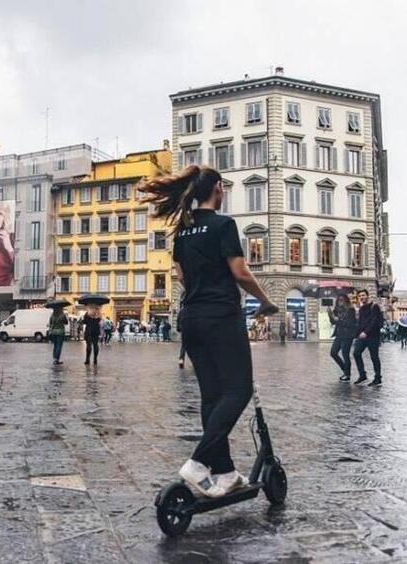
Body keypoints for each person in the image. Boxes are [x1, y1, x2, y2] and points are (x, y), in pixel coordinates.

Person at [139, 164, 278, 498]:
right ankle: (199, 463)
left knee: (213, 396)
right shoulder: (223, 224)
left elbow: (182, 277)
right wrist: (265, 300)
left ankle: (226, 472)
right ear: (217, 188)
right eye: (224, 186)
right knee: (240, 389)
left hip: (192, 318)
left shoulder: (182, 231)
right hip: (220, 316)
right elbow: (240, 272)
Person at [352, 289, 383, 386]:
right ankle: (362, 375)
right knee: (356, 353)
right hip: (362, 336)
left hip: (373, 336)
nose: (361, 297)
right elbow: (360, 323)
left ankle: (378, 378)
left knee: (374, 357)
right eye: (359, 296)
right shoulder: (361, 309)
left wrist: (366, 332)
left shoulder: (375, 307)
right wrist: (356, 335)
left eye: (363, 295)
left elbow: (374, 321)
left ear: (367, 296)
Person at [328, 295, 357, 382]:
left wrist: (338, 320)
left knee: (345, 354)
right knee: (333, 353)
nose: (340, 301)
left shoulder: (351, 309)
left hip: (348, 335)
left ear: (346, 300)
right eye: (338, 300)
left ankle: (347, 375)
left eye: (341, 300)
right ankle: (345, 369)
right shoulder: (337, 309)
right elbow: (333, 321)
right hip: (339, 334)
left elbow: (351, 324)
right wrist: (329, 314)